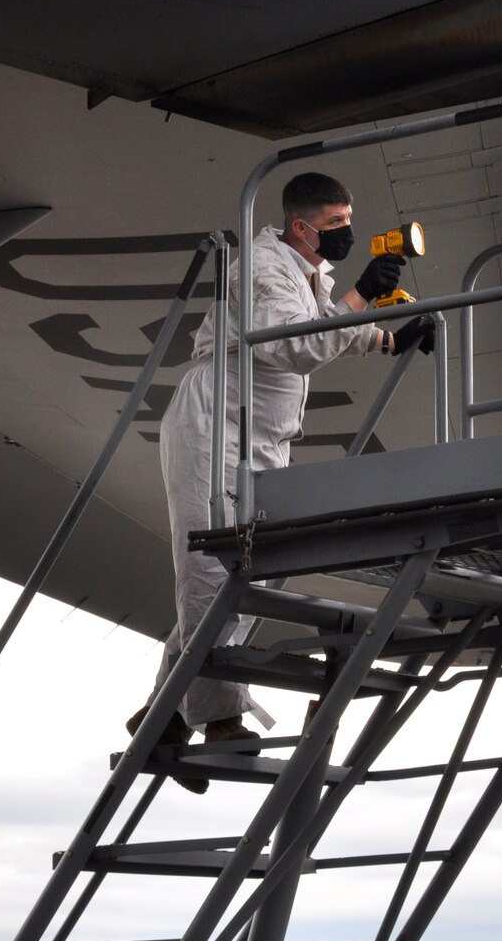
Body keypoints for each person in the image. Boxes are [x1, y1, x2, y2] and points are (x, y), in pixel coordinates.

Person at [130, 172, 434, 789]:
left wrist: (384, 338)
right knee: (214, 572)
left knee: (255, 572)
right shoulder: (263, 267)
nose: (347, 233)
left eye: (349, 221)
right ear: (301, 226)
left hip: (262, 437)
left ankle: (160, 717)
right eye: (337, 224)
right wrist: (360, 300)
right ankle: (219, 722)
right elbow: (293, 344)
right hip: (216, 428)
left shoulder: (304, 271)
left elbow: (321, 328)